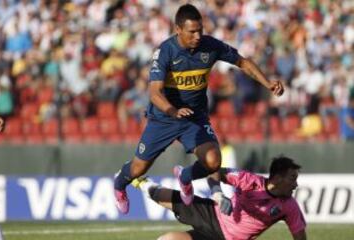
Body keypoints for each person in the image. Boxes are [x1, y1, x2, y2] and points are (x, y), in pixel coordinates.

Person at [114, 3, 284, 214]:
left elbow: (242, 62)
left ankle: (185, 177)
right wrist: (173, 111)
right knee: (139, 169)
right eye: (192, 31)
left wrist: (267, 83)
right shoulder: (165, 52)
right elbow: (155, 94)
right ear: (178, 30)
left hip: (194, 118)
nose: (197, 36)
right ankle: (119, 183)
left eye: (200, 30)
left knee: (213, 161)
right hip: (163, 118)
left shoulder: (210, 46)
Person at [132, 156, 307, 240]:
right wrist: (218, 193)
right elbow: (214, 170)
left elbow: (300, 238)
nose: (295, 184)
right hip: (212, 215)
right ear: (276, 178)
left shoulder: (289, 207)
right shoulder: (250, 181)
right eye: (292, 178)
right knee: (171, 198)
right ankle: (141, 182)